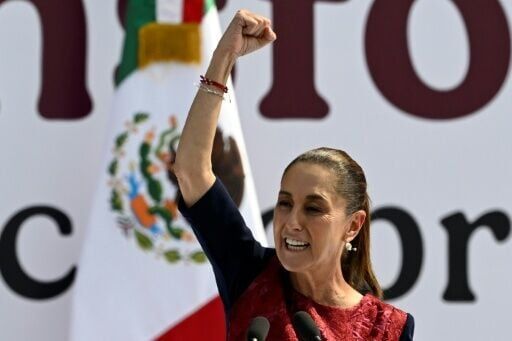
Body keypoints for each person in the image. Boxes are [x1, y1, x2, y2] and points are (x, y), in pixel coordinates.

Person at [174, 9, 415, 340]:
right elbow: (191, 170)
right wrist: (223, 59)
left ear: (353, 225)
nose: (291, 221)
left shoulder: (387, 327)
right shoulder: (250, 274)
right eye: (285, 203)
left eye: (313, 208)